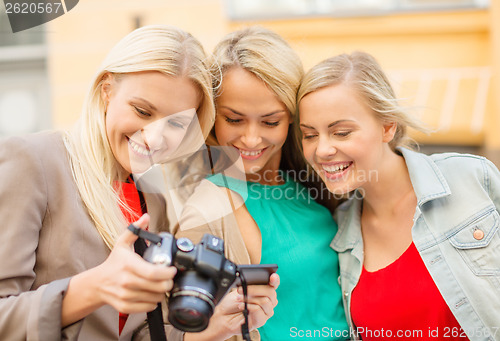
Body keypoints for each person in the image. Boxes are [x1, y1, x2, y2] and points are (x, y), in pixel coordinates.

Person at [0, 25, 278, 341]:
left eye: (175, 123)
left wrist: (214, 327)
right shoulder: (33, 161)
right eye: (142, 111)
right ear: (107, 90)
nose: (154, 137)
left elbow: (138, 332)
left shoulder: (153, 196)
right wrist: (92, 287)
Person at [297, 51, 500, 341]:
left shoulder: (470, 177)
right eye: (310, 135)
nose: (321, 150)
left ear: (387, 126)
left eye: (341, 132)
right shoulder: (339, 231)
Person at [175, 26, 349, 341]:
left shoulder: (317, 185)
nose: (252, 138)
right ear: (213, 115)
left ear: (293, 117)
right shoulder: (209, 210)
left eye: (270, 121)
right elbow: (187, 332)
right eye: (234, 119)